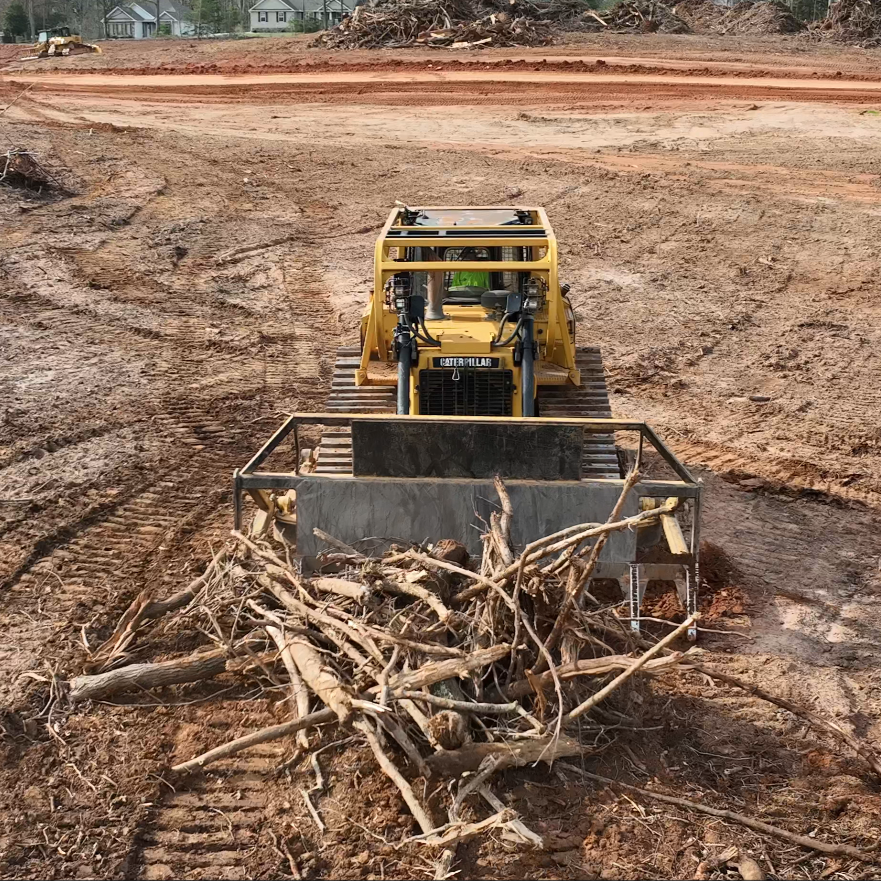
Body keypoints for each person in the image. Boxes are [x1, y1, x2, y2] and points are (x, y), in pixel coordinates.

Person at [425, 247, 491, 321]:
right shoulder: (459, 273)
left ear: (475, 258)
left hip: (479, 302)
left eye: (470, 257)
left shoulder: (484, 271)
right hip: (456, 301)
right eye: (465, 258)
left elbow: (489, 290)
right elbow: (454, 290)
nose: (468, 260)